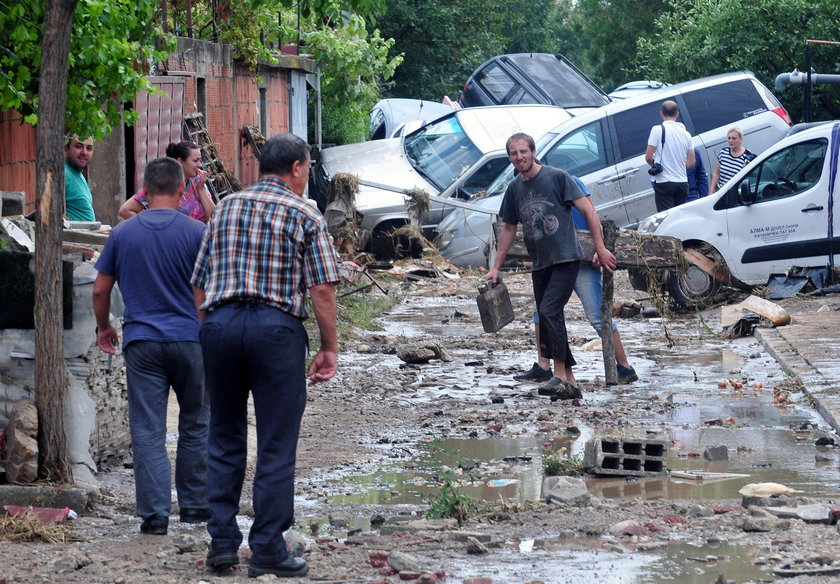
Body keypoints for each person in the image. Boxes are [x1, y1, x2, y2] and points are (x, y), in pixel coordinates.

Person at [191, 133, 340, 578]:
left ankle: (221, 544)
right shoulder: (304, 212)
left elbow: (199, 281)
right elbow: (322, 289)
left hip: (220, 325)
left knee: (224, 435)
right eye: (307, 168)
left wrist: (213, 331)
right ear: (297, 167)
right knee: (276, 442)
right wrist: (330, 347)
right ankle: (268, 550)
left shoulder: (226, 208)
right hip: (275, 331)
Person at [91, 157, 210, 536]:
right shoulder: (196, 233)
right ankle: (194, 506)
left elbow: (99, 289)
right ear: (181, 189)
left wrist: (104, 326)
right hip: (190, 340)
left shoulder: (123, 234)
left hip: (142, 342)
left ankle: (155, 514)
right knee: (196, 423)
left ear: (145, 189)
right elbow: (204, 291)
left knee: (147, 429)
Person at [486, 133, 617, 401]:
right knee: (547, 316)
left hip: (566, 258)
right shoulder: (514, 189)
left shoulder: (557, 177)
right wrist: (495, 267)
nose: (519, 157)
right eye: (514, 153)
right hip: (541, 263)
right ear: (510, 157)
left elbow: (589, 211)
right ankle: (570, 381)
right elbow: (509, 229)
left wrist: (600, 247)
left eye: (523, 151)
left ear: (533, 152)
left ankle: (558, 375)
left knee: (548, 311)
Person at [515, 177, 638, 386]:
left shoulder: (566, 180)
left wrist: (599, 247)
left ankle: (624, 366)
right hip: (556, 258)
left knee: (597, 315)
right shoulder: (531, 190)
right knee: (541, 312)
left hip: (582, 257)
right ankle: (544, 365)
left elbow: (591, 213)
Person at [119, 141, 216, 222]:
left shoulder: (198, 181)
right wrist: (151, 229)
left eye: (200, 160)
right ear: (180, 162)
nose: (200, 165)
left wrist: (201, 189)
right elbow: (125, 211)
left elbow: (213, 217)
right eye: (195, 161)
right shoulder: (162, 184)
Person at [645, 100, 695, 212]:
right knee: (679, 217)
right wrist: (678, 165)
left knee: (666, 218)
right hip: (682, 182)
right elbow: (691, 162)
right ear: (677, 114)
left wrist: (657, 165)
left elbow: (648, 157)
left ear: (661, 113)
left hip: (664, 182)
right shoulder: (687, 134)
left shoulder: (657, 130)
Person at [709, 127, 756, 195]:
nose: (731, 141)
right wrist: (711, 191)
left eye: (734, 138)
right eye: (729, 138)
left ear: (741, 139)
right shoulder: (723, 152)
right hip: (720, 192)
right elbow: (716, 173)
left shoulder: (747, 156)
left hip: (734, 194)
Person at [64, 135, 96, 221]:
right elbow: (51, 213)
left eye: (89, 148)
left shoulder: (77, 174)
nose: (84, 152)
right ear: (66, 148)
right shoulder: (63, 174)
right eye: (78, 147)